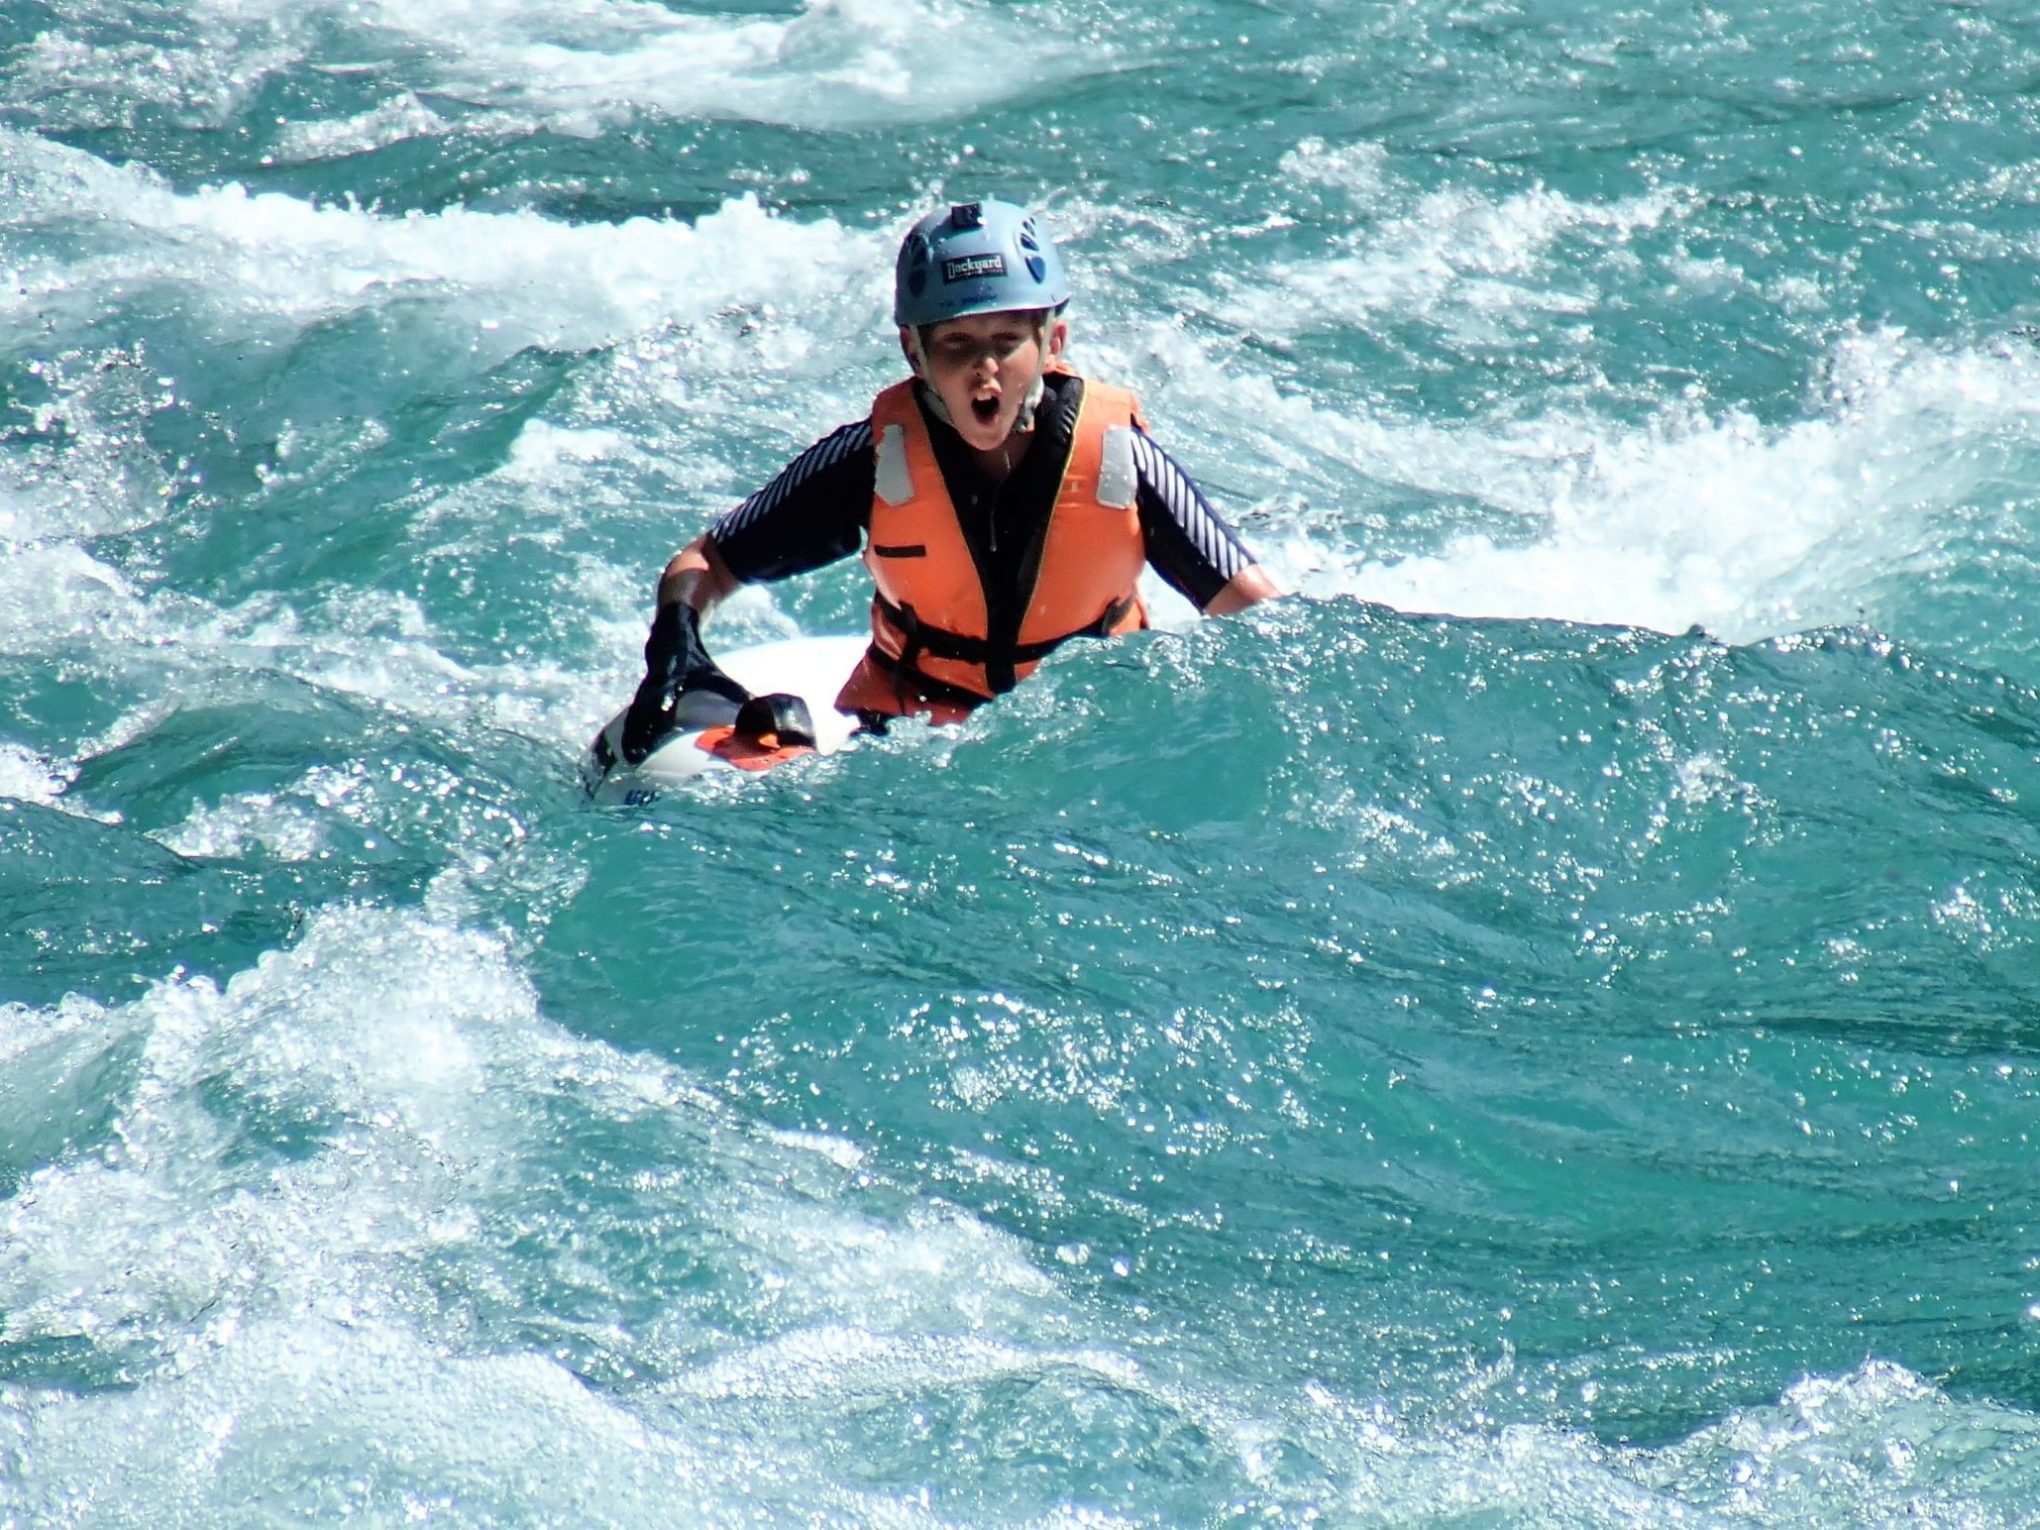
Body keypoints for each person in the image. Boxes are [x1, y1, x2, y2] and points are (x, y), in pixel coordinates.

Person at [620, 197, 1281, 762]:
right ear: (915, 353)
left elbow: (1264, 616)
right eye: (957, 344)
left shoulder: (1121, 459)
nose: (984, 370)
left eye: (1006, 341)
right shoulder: (874, 458)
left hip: (1092, 743)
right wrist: (675, 643)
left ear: (1052, 344)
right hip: (914, 743)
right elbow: (707, 561)